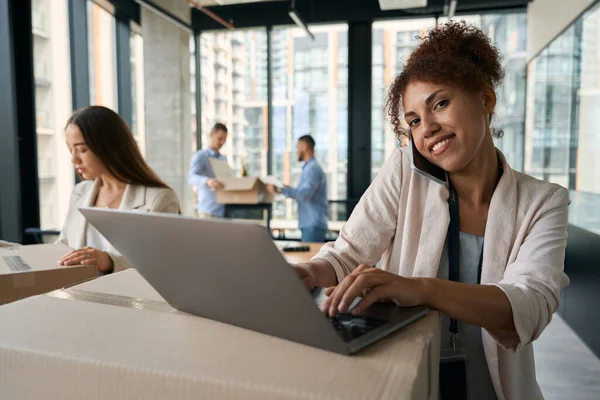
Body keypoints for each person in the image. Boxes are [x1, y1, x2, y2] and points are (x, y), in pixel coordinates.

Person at [292, 22, 569, 399]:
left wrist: (420, 289)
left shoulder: (542, 201)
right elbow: (347, 253)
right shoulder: (406, 170)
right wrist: (309, 272)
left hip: (491, 389)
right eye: (414, 121)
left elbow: (531, 305)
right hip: (407, 378)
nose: (428, 129)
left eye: (440, 103)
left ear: (486, 98)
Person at [57, 106, 180, 274]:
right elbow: (63, 247)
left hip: (132, 297)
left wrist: (110, 261)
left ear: (109, 146)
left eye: (82, 150)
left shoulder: (159, 199)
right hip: (78, 295)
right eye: (70, 149)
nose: (74, 159)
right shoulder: (80, 192)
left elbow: (162, 262)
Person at [267, 135, 328, 243]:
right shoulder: (310, 168)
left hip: (312, 224)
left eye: (297, 147)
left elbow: (304, 194)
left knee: (310, 259)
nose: (296, 151)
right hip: (311, 223)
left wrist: (281, 189)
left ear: (304, 146)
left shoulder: (312, 169)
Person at [188, 123, 229, 218]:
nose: (221, 142)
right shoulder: (201, 156)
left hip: (223, 210)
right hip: (207, 210)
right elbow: (191, 177)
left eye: (224, 140)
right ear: (211, 134)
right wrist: (207, 181)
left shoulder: (223, 159)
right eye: (219, 139)